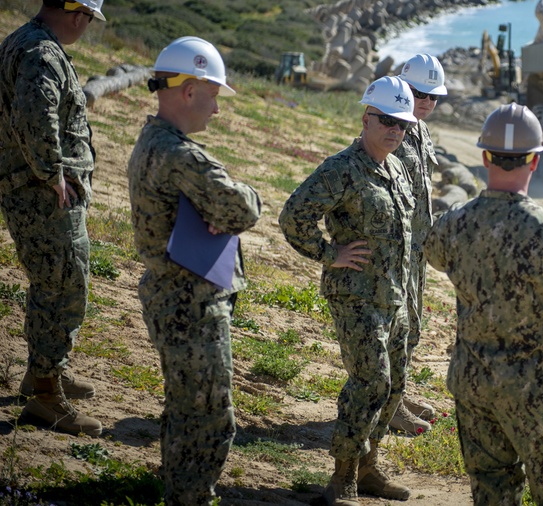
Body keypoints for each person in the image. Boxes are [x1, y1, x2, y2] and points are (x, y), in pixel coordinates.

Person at [424, 103, 543, 506]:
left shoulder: (454, 224)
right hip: (539, 393)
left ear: (484, 157)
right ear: (535, 160)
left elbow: (434, 255)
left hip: (474, 386)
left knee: (492, 492)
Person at [127, 36, 262, 505]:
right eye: (215, 96)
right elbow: (243, 209)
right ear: (189, 90)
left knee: (185, 408)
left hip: (170, 293)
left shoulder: (152, 139)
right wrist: (238, 197)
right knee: (209, 417)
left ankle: (179, 493)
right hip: (191, 304)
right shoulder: (183, 156)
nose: (217, 111)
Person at [279, 75, 417, 506]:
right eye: (386, 120)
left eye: (403, 124)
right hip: (356, 297)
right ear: (366, 118)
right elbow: (294, 216)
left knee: (394, 387)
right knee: (370, 381)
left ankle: (370, 468)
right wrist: (328, 253)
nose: (395, 130)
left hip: (394, 298)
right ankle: (343, 479)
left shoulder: (398, 167)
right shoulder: (342, 168)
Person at [0, 0, 107, 437]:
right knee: (62, 285)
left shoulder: (26, 41)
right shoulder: (42, 53)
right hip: (42, 195)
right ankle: (46, 396)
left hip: (37, 189)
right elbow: (35, 115)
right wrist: (52, 172)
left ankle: (44, 371)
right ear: (80, 15)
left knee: (57, 282)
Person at [390, 54, 448, 435]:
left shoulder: (420, 130)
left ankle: (398, 393)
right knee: (396, 328)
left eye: (433, 97)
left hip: (416, 251)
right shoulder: (390, 127)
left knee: (412, 326)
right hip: (393, 251)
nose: (426, 102)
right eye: (418, 93)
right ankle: (391, 407)